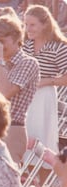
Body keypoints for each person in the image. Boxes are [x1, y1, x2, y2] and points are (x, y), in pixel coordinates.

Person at [0, 15, 40, 163]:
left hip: (11, 129)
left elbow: (5, 93)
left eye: (2, 42)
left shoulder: (28, 63)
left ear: (17, 38)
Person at [23, 5, 67, 160]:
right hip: (25, 95)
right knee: (25, 135)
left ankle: (42, 175)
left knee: (42, 137)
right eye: (26, 24)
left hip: (44, 97)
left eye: (32, 24)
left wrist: (45, 82)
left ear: (45, 25)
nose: (28, 28)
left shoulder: (58, 47)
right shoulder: (26, 44)